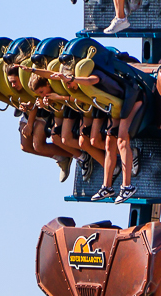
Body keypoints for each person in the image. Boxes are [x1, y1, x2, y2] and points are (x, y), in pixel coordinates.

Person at [50, 58, 142, 204]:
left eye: (68, 83)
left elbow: (91, 80)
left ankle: (127, 186)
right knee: (109, 143)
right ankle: (107, 187)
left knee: (122, 141)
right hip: (117, 106)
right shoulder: (81, 87)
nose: (68, 86)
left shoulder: (94, 74)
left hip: (132, 98)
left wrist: (72, 79)